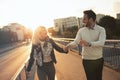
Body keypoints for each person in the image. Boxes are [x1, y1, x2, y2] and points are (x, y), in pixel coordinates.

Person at [64, 10, 106, 80]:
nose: (83, 21)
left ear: (91, 19)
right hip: (87, 60)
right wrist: (68, 46)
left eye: (84, 19)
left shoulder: (101, 29)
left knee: (99, 78)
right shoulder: (81, 30)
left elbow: (101, 42)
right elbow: (75, 42)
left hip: (99, 59)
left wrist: (88, 43)